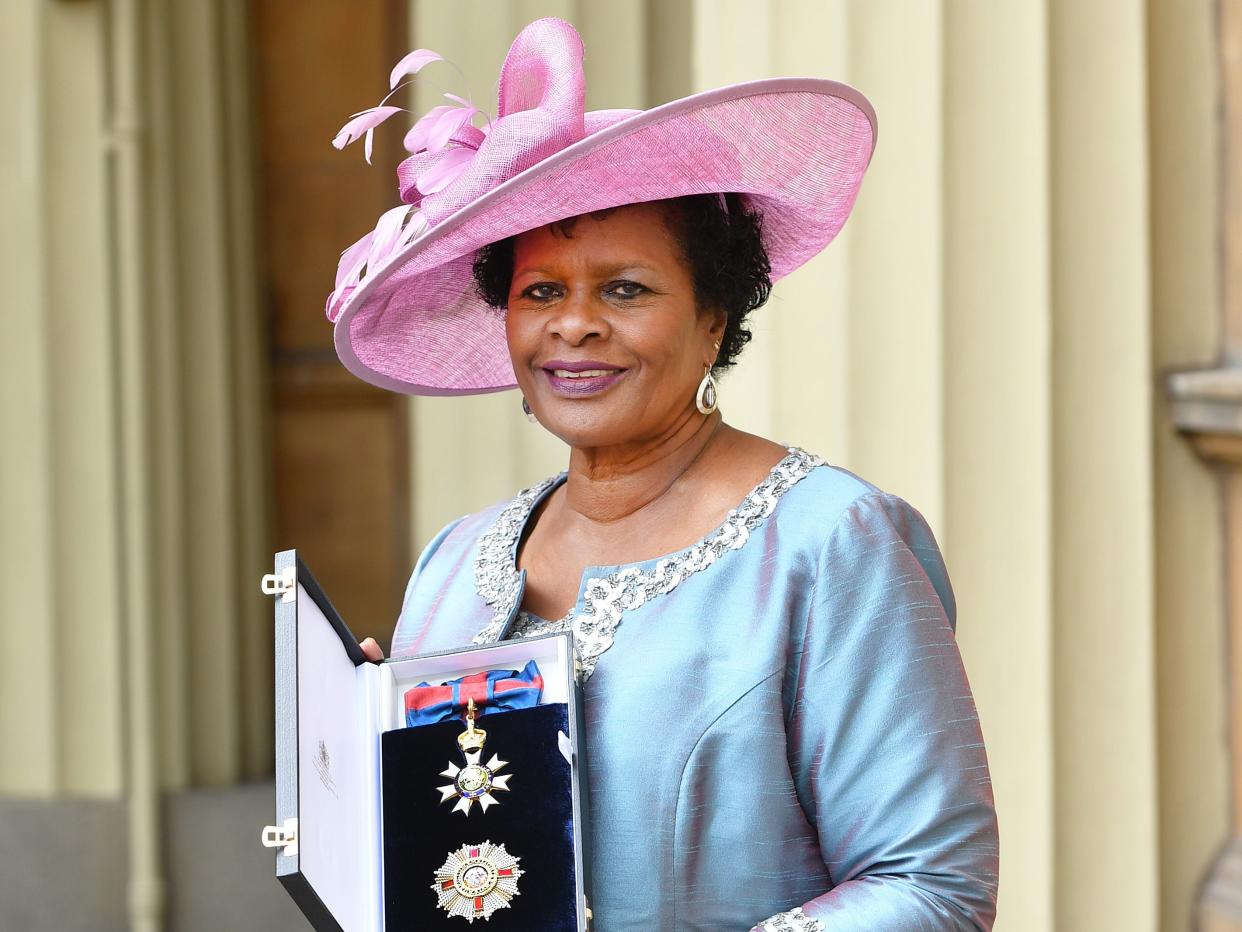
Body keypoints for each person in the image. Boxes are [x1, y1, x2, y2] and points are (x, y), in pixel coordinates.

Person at [336, 17, 999, 931]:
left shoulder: (830, 544)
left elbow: (931, 887)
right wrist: (362, 755)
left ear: (714, 320)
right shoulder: (454, 563)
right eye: (540, 292)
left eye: (625, 289)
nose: (573, 325)